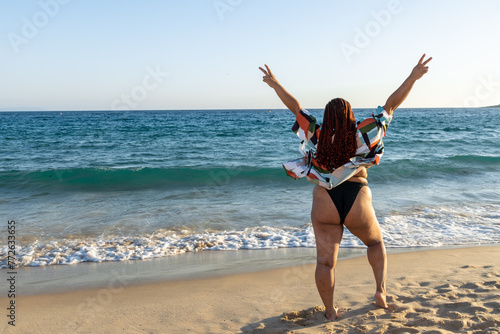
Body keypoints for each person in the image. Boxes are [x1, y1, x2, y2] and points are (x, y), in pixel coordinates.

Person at [259, 54, 432, 320]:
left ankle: (330, 312)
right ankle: (380, 293)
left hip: (324, 201)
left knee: (325, 262)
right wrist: (413, 76)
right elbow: (391, 105)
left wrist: (275, 84)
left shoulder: (316, 134)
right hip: (357, 197)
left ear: (327, 117)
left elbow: (296, 109)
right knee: (374, 243)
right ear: (350, 115)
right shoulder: (364, 132)